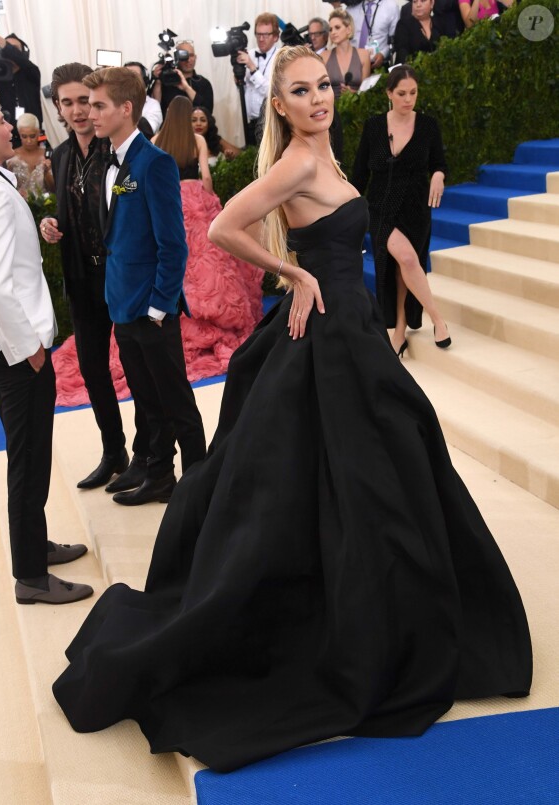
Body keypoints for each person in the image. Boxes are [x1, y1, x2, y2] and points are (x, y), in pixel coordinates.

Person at [53, 47, 531, 773]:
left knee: (380, 473)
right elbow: (222, 229)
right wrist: (294, 271)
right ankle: (362, 621)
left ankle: (384, 610)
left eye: (325, 86)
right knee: (358, 480)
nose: (319, 99)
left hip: (354, 333)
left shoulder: (328, 158)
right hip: (329, 340)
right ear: (277, 103)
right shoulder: (300, 166)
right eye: (301, 91)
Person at [0, 87, 93, 605]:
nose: (10, 128)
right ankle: (30, 576)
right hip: (15, 349)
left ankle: (36, 546)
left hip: (10, 344)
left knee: (34, 456)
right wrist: (31, 348)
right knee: (27, 462)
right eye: (1, 121)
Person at [82, 66, 206, 505]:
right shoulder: (108, 159)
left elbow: (174, 244)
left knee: (176, 400)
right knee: (147, 402)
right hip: (121, 303)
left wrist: (158, 306)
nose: (90, 114)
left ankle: (199, 484)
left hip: (151, 308)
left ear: (125, 108)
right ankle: (159, 475)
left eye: (99, 105)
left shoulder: (155, 164)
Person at [41, 62, 131, 492]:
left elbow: (132, 207)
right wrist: (50, 225)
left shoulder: (117, 147)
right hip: (81, 279)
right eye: (68, 103)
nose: (78, 111)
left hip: (121, 275)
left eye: (84, 101)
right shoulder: (58, 157)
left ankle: (152, 455)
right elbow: (67, 212)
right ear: (57, 107)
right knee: (94, 371)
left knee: (138, 366)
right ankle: (114, 452)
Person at [154, 96, 263, 380]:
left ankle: (179, 321)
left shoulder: (155, 140)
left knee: (181, 266)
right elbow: (206, 178)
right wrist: (210, 199)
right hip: (196, 202)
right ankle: (219, 323)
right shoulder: (197, 140)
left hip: (170, 205)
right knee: (209, 263)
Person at [352, 64, 450, 356]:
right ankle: (437, 319)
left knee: (402, 268)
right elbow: (359, 175)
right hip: (381, 206)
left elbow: (440, 164)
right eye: (402, 93)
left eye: (413, 93)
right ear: (389, 94)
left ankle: (399, 332)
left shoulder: (428, 125)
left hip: (416, 208)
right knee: (406, 258)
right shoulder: (373, 127)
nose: (409, 99)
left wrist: (438, 176)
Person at [0, 24, 43, 147]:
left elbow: (22, 61)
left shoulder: (31, 72)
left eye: (13, 49)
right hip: (7, 139)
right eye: (5, 48)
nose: (8, 52)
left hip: (33, 137)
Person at [236, 13, 280, 146]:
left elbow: (272, 92)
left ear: (276, 37)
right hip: (250, 122)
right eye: (258, 34)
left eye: (266, 35)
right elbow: (244, 88)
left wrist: (252, 68)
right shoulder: (249, 54)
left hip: (272, 122)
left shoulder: (280, 57)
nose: (261, 39)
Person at [151, 40, 214, 117]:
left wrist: (187, 88)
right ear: (176, 58)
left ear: (195, 57)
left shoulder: (203, 83)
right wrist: (158, 79)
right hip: (171, 127)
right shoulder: (165, 83)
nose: (188, 60)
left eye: (191, 55)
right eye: (183, 56)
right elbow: (154, 108)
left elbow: (207, 112)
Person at [331, 0, 400, 70]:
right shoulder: (352, 6)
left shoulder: (391, 7)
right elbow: (341, 34)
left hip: (377, 65)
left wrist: (383, 54)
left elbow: (396, 40)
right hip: (352, 64)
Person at [322, 9, 371, 98]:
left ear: (348, 29)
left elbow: (367, 92)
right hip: (332, 107)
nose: (333, 32)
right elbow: (321, 89)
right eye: (330, 29)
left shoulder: (364, 55)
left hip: (357, 107)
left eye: (337, 27)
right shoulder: (324, 56)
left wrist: (354, 94)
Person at [6, 112, 54, 197]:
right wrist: (8, 171)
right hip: (19, 206)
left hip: (46, 207)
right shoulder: (11, 156)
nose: (28, 141)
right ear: (19, 134)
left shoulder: (48, 156)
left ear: (38, 132)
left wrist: (47, 173)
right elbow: (7, 189)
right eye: (24, 136)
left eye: (32, 136)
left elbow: (54, 189)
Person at [394, 0, 446, 66]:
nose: (418, 5)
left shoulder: (439, 23)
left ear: (432, 3)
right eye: (415, 2)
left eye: (423, 1)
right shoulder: (403, 24)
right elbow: (402, 52)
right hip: (410, 71)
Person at [124, 61, 162, 136]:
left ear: (144, 81)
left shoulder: (153, 105)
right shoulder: (113, 102)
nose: (129, 79)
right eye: (125, 76)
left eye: (134, 75)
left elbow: (148, 131)